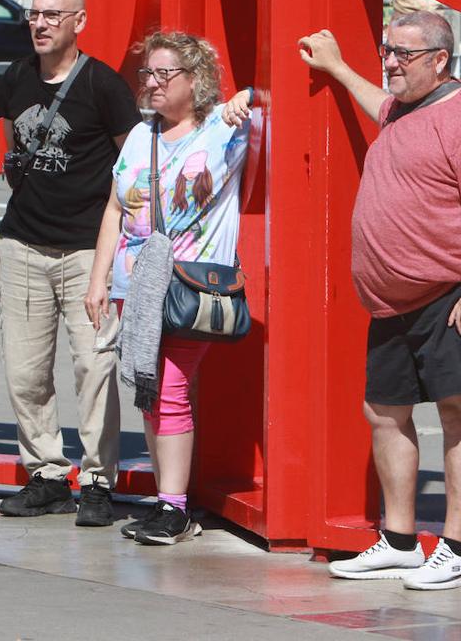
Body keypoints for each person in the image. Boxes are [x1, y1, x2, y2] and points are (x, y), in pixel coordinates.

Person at [298, 11, 461, 591]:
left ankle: (457, 551)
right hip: (391, 301)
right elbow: (380, 102)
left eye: (403, 54)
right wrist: (340, 67)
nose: (391, 63)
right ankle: (399, 541)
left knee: (458, 414)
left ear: (440, 60)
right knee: (385, 412)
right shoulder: (403, 106)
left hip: (452, 293)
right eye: (386, 50)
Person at [84, 30, 259, 546]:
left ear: (196, 80)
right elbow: (115, 208)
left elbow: (276, 102)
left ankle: (175, 507)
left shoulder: (224, 129)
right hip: (133, 286)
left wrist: (248, 94)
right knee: (149, 393)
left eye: (166, 74)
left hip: (188, 284)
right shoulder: (141, 136)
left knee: (172, 390)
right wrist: (98, 281)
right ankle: (166, 501)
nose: (153, 84)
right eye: (148, 74)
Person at [0, 0, 141, 526]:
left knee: (95, 368)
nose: (40, 23)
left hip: (88, 254)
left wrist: (119, 244)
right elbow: (13, 142)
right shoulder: (16, 77)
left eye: (53, 14)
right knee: (25, 371)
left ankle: (99, 481)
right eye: (34, 14)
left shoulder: (105, 86)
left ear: (80, 21)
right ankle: (47, 475)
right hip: (24, 243)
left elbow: (131, 168)